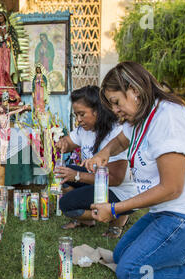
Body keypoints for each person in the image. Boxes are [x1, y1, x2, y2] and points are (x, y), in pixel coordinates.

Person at [83, 61, 185, 279]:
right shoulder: (141, 118)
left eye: (116, 102)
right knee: (120, 255)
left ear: (134, 90)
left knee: (131, 272)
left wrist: (115, 209)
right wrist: (103, 153)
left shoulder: (168, 119)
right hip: (170, 213)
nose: (115, 111)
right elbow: (120, 140)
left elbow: (171, 189)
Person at [55, 85, 138, 238]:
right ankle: (87, 220)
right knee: (63, 173)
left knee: (66, 206)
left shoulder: (115, 133)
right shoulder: (85, 130)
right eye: (76, 115)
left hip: (120, 191)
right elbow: (68, 142)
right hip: (99, 181)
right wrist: (61, 144)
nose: (79, 120)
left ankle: (117, 215)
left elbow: (115, 179)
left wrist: (77, 176)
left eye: (82, 114)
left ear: (98, 111)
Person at [0, 91, 29, 164]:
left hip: (7, 131)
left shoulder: (8, 114)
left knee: (6, 145)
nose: (1, 110)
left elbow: (16, 111)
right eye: (0, 109)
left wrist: (23, 108)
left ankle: (3, 157)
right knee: (2, 144)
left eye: (2, 109)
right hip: (1, 131)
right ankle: (2, 157)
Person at [0, 9, 21, 104]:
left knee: (6, 70)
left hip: (7, 53)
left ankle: (10, 91)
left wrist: (9, 40)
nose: (0, 18)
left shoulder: (10, 29)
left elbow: (16, 44)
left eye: (1, 16)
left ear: (5, 16)